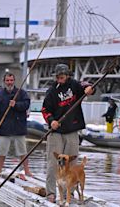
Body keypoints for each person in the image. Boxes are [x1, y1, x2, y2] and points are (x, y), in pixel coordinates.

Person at [41, 64, 94, 203]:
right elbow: (45, 110)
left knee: (72, 163)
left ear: (67, 76)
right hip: (56, 131)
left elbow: (87, 86)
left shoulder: (74, 85)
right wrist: (51, 121)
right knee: (54, 163)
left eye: (62, 77)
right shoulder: (52, 91)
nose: (59, 80)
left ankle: (68, 194)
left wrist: (89, 89)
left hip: (72, 129)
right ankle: (51, 193)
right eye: (57, 77)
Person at [0, 72, 32, 177]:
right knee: (1, 150)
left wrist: (16, 105)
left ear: (14, 81)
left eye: (11, 80)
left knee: (23, 151)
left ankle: (27, 171)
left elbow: (26, 105)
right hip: (5, 127)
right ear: (4, 81)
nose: (9, 82)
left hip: (19, 126)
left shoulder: (21, 93)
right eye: (7, 80)